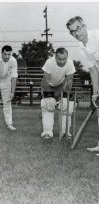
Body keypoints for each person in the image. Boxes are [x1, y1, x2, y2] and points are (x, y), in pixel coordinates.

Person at [66, 16, 99, 152]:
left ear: (84, 26)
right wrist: (95, 93)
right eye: (73, 32)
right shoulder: (81, 47)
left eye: (78, 28)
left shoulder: (97, 35)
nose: (76, 33)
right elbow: (93, 70)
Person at [40, 48, 76, 139]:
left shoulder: (70, 63)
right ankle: (47, 132)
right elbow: (46, 81)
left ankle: (64, 132)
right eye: (60, 59)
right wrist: (49, 97)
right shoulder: (49, 62)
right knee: (48, 105)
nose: (62, 61)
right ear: (55, 57)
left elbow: (69, 81)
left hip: (61, 85)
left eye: (64, 59)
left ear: (67, 57)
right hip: (49, 85)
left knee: (67, 106)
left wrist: (64, 96)